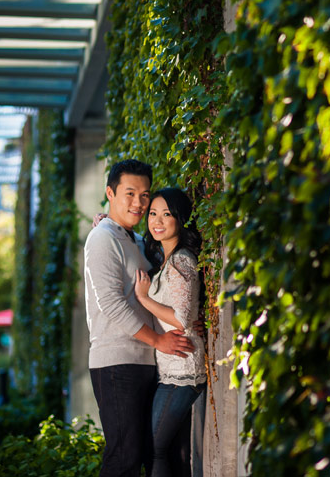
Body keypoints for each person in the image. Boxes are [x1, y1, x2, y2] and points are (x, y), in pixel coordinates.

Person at [84, 160, 195, 477]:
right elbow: (111, 304)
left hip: (147, 361)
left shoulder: (135, 240)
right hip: (117, 363)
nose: (138, 203)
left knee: (154, 453)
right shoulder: (102, 238)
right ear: (110, 192)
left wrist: (181, 323)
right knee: (124, 459)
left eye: (145, 195)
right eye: (129, 193)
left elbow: (162, 293)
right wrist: (159, 339)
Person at [134, 188, 207, 477]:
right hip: (173, 369)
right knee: (176, 451)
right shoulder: (166, 260)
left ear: (180, 219)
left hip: (182, 371)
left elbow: (181, 318)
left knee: (156, 449)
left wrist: (144, 299)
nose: (158, 220)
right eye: (153, 213)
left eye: (167, 214)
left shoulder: (181, 261)